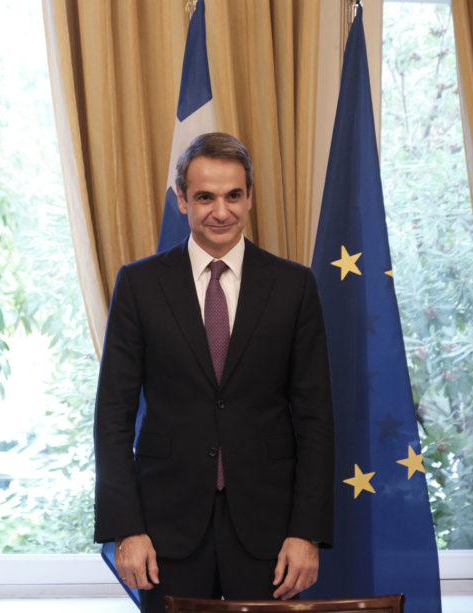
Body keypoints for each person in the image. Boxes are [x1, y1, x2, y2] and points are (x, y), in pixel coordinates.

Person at [94, 132, 334, 612]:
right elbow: (113, 417)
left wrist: (307, 532)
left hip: (271, 529)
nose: (221, 212)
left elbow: (316, 419)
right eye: (205, 197)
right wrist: (126, 528)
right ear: (182, 199)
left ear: (250, 198)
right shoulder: (139, 284)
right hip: (165, 529)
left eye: (233, 196)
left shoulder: (294, 286)